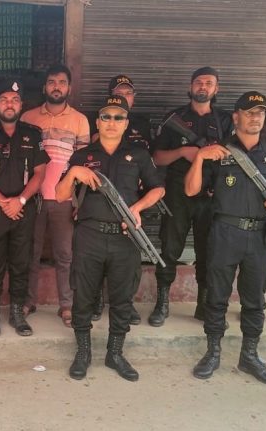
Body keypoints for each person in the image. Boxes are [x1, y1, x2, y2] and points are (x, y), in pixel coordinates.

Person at [185, 91, 266, 385]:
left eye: (260, 113)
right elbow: (191, 190)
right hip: (225, 232)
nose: (255, 117)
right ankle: (213, 353)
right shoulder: (218, 151)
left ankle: (250, 356)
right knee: (216, 297)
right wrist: (199, 158)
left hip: (259, 235)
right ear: (236, 117)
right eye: (249, 112)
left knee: (254, 300)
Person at [57, 95, 164, 381]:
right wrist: (74, 172)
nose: (112, 122)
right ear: (98, 122)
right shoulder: (82, 156)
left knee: (122, 298)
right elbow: (60, 194)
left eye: (119, 117)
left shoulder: (138, 154)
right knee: (83, 296)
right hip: (89, 235)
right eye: (106, 117)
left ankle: (115, 353)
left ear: (126, 123)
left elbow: (158, 188)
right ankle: (83, 352)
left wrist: (138, 208)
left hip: (125, 237)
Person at [149, 66, 233, 327]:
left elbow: (235, 157)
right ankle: (162, 303)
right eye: (198, 82)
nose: (203, 86)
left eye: (209, 83)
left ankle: (203, 305)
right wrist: (183, 152)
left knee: (208, 250)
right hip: (178, 194)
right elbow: (157, 158)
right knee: (169, 248)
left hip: (212, 194)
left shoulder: (225, 121)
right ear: (190, 86)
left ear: (216, 89)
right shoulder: (175, 118)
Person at [0, 79, 49, 336]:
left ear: (21, 105)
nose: (9, 104)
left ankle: (17, 311)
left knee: (21, 262)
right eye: (4, 99)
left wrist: (21, 200)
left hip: (24, 209)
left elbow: (40, 173)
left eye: (15, 100)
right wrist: (3, 202)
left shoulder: (32, 134)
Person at [20, 64, 89, 328]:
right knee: (31, 253)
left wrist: (80, 201)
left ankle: (67, 305)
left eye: (61, 82)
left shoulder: (80, 120)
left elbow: (84, 164)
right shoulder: (28, 118)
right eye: (51, 82)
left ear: (69, 87)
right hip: (33, 197)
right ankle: (28, 301)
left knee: (65, 255)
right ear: (44, 87)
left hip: (64, 198)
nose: (56, 86)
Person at [90, 74, 151, 323]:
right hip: (102, 197)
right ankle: (95, 299)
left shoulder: (143, 123)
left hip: (133, 198)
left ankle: (126, 303)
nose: (124, 97)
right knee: (95, 256)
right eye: (119, 93)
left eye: (128, 93)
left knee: (130, 257)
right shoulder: (100, 121)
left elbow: (150, 158)